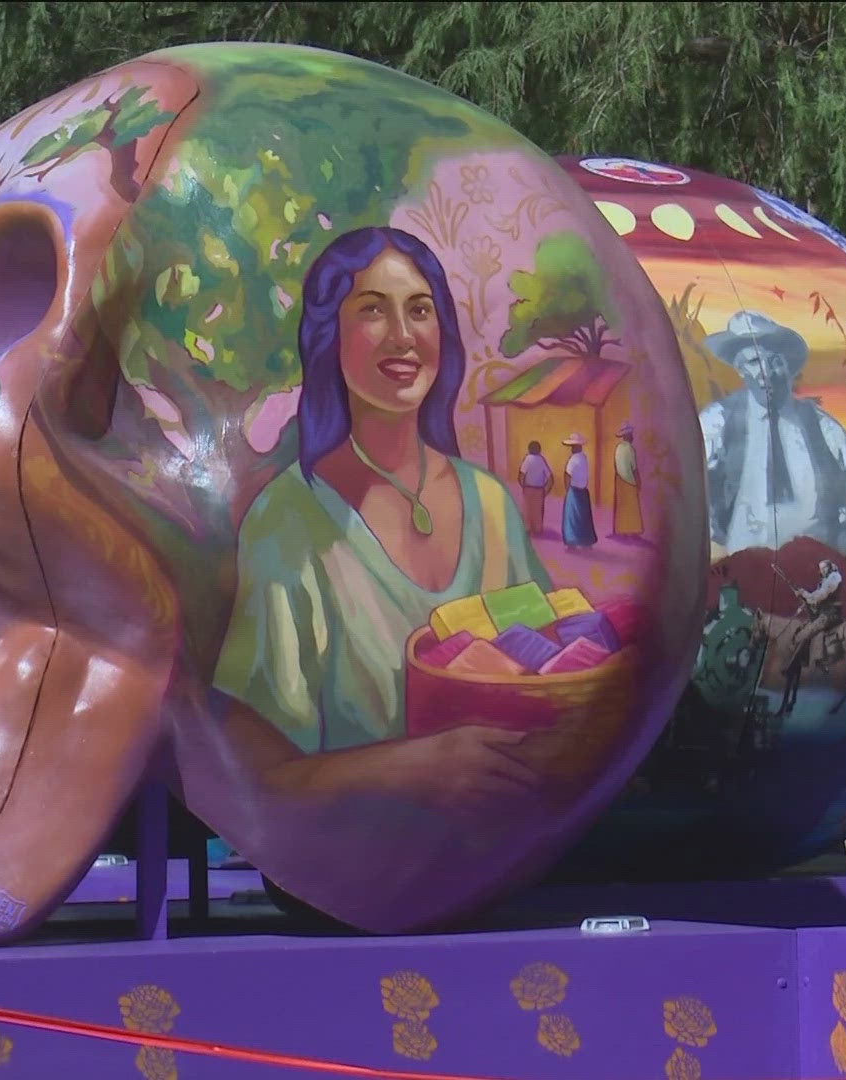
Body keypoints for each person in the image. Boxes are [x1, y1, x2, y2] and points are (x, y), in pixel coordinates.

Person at [215, 226, 551, 752]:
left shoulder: (491, 503)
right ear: (330, 337)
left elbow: (549, 671)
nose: (403, 335)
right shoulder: (287, 519)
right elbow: (263, 765)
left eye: (420, 310)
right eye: (372, 310)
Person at [699, 310, 846, 555]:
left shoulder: (819, 425)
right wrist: (713, 531)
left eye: (774, 361)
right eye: (753, 362)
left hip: (816, 566)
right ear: (740, 370)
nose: (766, 372)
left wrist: (844, 546)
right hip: (746, 564)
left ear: (789, 367)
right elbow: (683, 484)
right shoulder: (719, 421)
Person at [778, 559, 844, 716]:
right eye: (820, 569)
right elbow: (815, 599)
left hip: (829, 615)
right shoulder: (826, 579)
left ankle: (793, 666)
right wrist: (803, 598)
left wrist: (805, 595)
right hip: (822, 612)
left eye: (823, 568)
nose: (821, 571)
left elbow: (820, 596)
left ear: (829, 567)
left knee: (802, 635)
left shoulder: (834, 578)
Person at [559, 433, 596, 550]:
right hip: (584, 491)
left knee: (572, 517)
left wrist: (567, 490)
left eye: (573, 446)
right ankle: (586, 541)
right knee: (584, 517)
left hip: (574, 491)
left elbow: (567, 476)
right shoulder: (584, 458)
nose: (572, 448)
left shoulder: (573, 460)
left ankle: (572, 542)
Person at [612, 421, 642, 537]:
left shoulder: (618, 448)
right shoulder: (630, 449)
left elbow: (615, 465)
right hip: (629, 480)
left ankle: (621, 530)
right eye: (631, 434)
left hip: (619, 479)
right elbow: (634, 468)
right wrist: (638, 481)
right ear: (628, 435)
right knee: (631, 506)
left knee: (622, 505)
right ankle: (632, 531)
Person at [517, 440, 552, 535]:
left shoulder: (527, 459)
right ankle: (537, 528)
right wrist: (546, 490)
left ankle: (528, 528)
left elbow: (521, 475)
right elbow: (549, 477)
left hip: (528, 488)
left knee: (528, 509)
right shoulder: (541, 460)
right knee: (537, 510)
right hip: (539, 489)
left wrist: (523, 485)